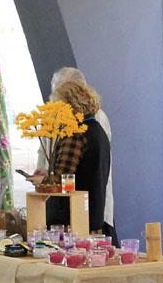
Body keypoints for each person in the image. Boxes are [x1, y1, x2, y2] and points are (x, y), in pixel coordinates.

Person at [39, 68, 116, 241]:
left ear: (68, 105)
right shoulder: (97, 129)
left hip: (71, 222)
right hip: (93, 216)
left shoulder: (76, 134)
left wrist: (43, 182)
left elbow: (62, 177)